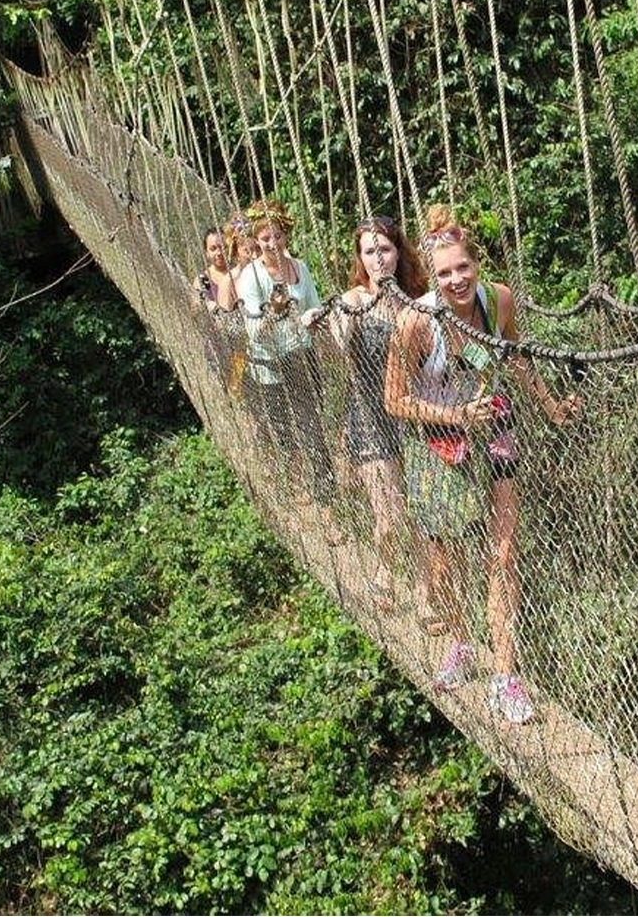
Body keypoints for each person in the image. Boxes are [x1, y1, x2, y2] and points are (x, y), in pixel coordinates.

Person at [385, 205, 580, 725]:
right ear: (433, 277)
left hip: (493, 432)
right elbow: (394, 400)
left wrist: (549, 404)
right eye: (445, 273)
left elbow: (514, 356)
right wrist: (452, 414)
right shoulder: (414, 324)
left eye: (462, 268)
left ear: (476, 264)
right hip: (437, 443)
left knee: (503, 554)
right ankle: (459, 642)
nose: (456, 280)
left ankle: (505, 677)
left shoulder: (498, 301)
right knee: (445, 562)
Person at [329, 215, 429, 612]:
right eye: (369, 252)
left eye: (384, 250)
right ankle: (385, 572)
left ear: (398, 253)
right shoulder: (355, 300)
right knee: (390, 516)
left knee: (423, 517)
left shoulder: (415, 301)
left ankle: (427, 595)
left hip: (413, 417)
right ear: (360, 258)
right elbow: (340, 337)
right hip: (370, 419)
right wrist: (332, 323)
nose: (378, 260)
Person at [234, 197, 334, 506]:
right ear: (256, 240)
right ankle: (294, 483)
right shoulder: (251, 276)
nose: (272, 243)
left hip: (302, 357)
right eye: (265, 238)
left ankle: (324, 496)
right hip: (269, 365)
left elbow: (314, 305)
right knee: (284, 432)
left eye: (277, 236)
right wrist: (273, 312)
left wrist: (316, 316)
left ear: (285, 235)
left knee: (312, 427)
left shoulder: (300, 267)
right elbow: (252, 332)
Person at [193, 225, 239, 314]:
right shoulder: (202, 281)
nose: (219, 253)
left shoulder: (238, 273)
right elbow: (196, 312)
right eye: (213, 249)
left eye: (223, 247)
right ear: (207, 253)